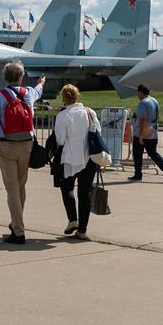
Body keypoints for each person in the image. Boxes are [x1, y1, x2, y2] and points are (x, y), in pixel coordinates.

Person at [0, 61, 46, 245]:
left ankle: (18, 231)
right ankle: (16, 222)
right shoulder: (29, 93)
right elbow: (38, 91)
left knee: (12, 189)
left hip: (7, 145)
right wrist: (41, 83)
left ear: (5, 78)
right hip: (27, 145)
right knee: (21, 186)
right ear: (21, 77)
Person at [53, 84, 99, 241]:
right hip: (89, 158)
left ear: (64, 98)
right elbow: (97, 131)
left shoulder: (63, 116)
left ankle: (73, 219)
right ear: (77, 96)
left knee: (67, 188)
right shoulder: (89, 112)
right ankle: (82, 230)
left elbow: (60, 139)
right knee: (84, 193)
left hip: (70, 158)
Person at [128, 83, 163, 183]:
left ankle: (138, 174)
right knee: (153, 153)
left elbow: (143, 119)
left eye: (138, 93)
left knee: (137, 154)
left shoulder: (143, 103)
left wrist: (141, 135)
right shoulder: (154, 101)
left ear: (140, 92)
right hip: (153, 132)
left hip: (142, 133)